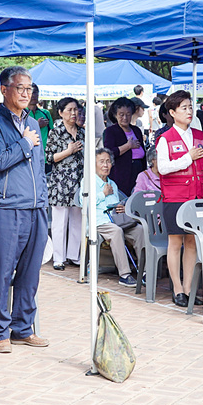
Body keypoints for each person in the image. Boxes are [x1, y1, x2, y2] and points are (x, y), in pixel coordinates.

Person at [0, 66, 50, 353]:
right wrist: (24, 143)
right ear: (5, 90)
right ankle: (0, 331)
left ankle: (23, 328)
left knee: (30, 273)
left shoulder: (33, 123)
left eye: (29, 88)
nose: (25, 93)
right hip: (7, 208)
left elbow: (40, 167)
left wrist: (44, 199)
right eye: (20, 88)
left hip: (36, 208)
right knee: (2, 272)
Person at [156, 90, 203, 309]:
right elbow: (162, 168)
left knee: (192, 242)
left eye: (191, 107)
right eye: (184, 108)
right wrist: (186, 158)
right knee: (176, 241)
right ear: (172, 112)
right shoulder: (165, 138)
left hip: (198, 195)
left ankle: (189, 289)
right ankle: (177, 288)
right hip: (175, 197)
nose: (189, 111)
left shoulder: (200, 136)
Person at [79, 149, 145, 287]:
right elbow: (84, 203)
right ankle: (124, 274)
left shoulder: (112, 183)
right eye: (101, 162)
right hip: (99, 222)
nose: (105, 165)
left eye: (108, 161)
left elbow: (114, 205)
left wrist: (121, 207)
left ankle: (144, 271)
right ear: (94, 164)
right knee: (116, 231)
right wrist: (103, 194)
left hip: (115, 220)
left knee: (139, 230)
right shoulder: (88, 181)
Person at [45, 97, 85, 272]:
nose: (74, 113)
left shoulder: (82, 132)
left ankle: (74, 256)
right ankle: (58, 258)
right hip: (61, 181)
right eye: (69, 110)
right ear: (60, 113)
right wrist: (68, 151)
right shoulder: (55, 132)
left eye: (75, 109)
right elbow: (49, 157)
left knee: (77, 219)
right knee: (60, 221)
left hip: (79, 180)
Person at [103, 97, 147, 197]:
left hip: (138, 173)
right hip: (121, 174)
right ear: (115, 115)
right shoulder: (111, 131)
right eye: (121, 115)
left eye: (128, 114)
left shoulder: (136, 130)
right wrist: (128, 146)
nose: (125, 118)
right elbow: (109, 153)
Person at [28, 86, 52, 155]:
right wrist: (37, 125)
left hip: (45, 156)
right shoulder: (20, 114)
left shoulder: (46, 113)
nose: (33, 95)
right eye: (30, 92)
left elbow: (52, 133)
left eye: (35, 92)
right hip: (29, 156)